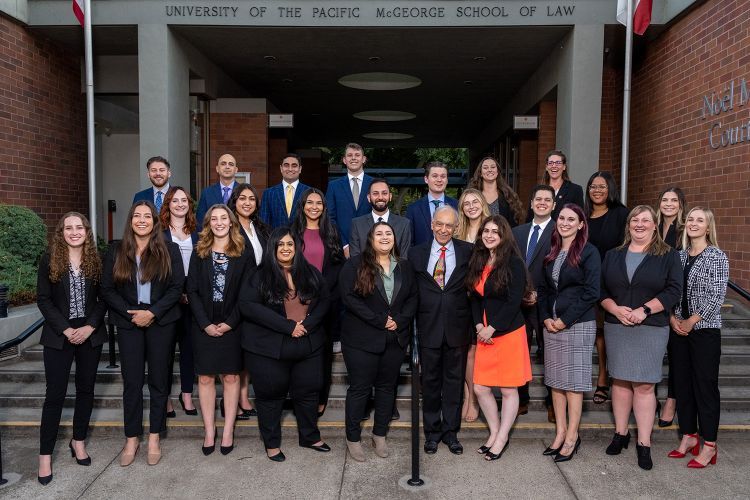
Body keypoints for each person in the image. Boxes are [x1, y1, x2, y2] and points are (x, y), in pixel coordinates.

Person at [101, 201, 185, 467]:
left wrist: (153, 313)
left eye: (146, 216)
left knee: (160, 382)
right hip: (129, 323)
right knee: (132, 383)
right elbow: (106, 289)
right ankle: (131, 438)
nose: (141, 220)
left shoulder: (168, 249)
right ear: (130, 220)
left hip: (160, 322)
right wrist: (132, 314)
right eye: (136, 215)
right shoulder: (116, 250)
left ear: (154, 221)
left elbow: (176, 287)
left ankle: (154, 438)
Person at [600, 205, 682, 470]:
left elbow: (674, 291)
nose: (639, 224)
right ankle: (621, 434)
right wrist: (613, 308)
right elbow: (599, 288)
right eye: (635, 219)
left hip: (651, 327)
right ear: (629, 224)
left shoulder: (668, 255)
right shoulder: (613, 255)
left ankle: (644, 443)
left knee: (645, 385)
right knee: (620, 381)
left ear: (654, 225)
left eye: (645, 220)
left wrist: (645, 310)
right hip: (617, 325)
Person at [239, 228, 331, 462]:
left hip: (307, 343)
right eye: (280, 245)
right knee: (270, 396)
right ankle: (271, 444)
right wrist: (287, 326)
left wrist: (307, 325)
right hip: (268, 348)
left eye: (290, 244)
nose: (286, 248)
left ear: (297, 247)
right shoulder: (258, 275)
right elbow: (249, 307)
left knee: (308, 392)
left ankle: (310, 436)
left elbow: (324, 300)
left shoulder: (309, 272)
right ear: (273, 248)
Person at [36, 212, 106, 485]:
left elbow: (103, 299)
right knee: (54, 395)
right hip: (58, 335)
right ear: (61, 232)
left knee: (86, 391)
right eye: (69, 228)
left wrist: (90, 326)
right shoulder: (49, 259)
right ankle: (44, 455)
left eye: (79, 227)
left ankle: (78, 442)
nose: (74, 232)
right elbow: (43, 299)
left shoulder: (96, 260)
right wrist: (65, 329)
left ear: (86, 231)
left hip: (89, 334)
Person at [339, 222, 417, 462]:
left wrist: (400, 320)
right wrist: (380, 320)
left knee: (386, 389)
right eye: (380, 233)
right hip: (361, 339)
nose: (385, 237)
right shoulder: (354, 265)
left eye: (389, 233)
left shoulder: (405, 266)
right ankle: (353, 438)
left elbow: (413, 298)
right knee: (360, 390)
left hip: (394, 339)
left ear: (395, 238)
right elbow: (349, 298)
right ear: (371, 239)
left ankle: (379, 435)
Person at [537, 204, 601, 463]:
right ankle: (560, 432)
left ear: (581, 224)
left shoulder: (589, 252)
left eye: (571, 219)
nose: (564, 222)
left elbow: (591, 293)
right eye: (561, 218)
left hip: (577, 325)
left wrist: (564, 320)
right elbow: (543, 289)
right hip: (551, 325)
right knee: (555, 381)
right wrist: (545, 318)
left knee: (573, 384)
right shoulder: (552, 251)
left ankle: (573, 436)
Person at [187, 205, 252, 456]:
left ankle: (227, 431)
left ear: (231, 222)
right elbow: (191, 289)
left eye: (223, 218)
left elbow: (247, 293)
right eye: (214, 219)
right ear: (208, 224)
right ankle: (209, 431)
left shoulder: (243, 253)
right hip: (203, 323)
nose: (219, 222)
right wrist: (204, 323)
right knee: (204, 378)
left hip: (233, 323)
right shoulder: (199, 252)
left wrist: (230, 323)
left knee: (231, 377)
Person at [408, 206, 473, 455]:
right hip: (427, 327)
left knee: (454, 383)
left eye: (450, 225)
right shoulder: (416, 254)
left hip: (458, 328)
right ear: (432, 225)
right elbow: (411, 292)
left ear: (456, 227)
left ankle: (451, 433)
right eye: (440, 224)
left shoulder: (468, 251)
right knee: (431, 382)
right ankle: (432, 434)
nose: (444, 229)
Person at [466, 215, 532, 461]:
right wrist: (478, 325)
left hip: (508, 334)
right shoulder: (480, 260)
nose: (490, 235)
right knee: (481, 387)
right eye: (486, 231)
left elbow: (514, 301)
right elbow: (474, 296)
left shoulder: (513, 263)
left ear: (504, 235)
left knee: (508, 389)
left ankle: (502, 437)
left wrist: (492, 328)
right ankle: (494, 432)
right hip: (484, 334)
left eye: (495, 231)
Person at [668, 207, 728, 469]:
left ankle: (709, 445)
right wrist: (673, 318)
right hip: (678, 329)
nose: (693, 223)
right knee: (682, 385)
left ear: (708, 227)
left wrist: (693, 320)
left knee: (704, 387)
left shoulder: (716, 256)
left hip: (704, 330)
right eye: (690, 219)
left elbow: (717, 295)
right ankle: (689, 436)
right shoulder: (679, 257)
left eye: (699, 220)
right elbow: (670, 290)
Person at [290, 187, 345, 416]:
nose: (314, 207)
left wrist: (321, 293)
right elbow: (286, 263)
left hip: (325, 302)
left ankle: (321, 396)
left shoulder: (331, 231)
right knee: (297, 352)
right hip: (296, 300)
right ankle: (300, 396)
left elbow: (337, 265)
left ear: (323, 207)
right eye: (309, 202)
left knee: (322, 354)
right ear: (302, 206)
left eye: (318, 203)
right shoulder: (292, 231)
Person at [584, 171, 629, 406]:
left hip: (612, 282)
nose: (597, 190)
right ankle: (598, 376)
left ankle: (608, 379)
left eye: (602, 186)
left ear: (610, 188)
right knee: (596, 331)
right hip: (586, 282)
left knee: (609, 331)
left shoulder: (622, 214)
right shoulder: (583, 215)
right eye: (593, 186)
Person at [512, 185, 556, 420]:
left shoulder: (560, 231)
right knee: (520, 353)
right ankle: (521, 399)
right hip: (519, 304)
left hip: (546, 302)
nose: (542, 202)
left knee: (549, 354)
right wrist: (521, 292)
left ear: (553, 205)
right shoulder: (517, 232)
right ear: (531, 203)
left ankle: (552, 402)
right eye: (537, 199)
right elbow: (511, 265)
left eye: (547, 200)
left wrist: (540, 292)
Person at [228, 183, 270, 420]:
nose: (247, 202)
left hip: (258, 297)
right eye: (242, 198)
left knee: (249, 349)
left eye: (251, 199)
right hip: (235, 297)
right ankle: (235, 399)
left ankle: (244, 396)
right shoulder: (228, 228)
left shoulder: (260, 228)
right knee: (235, 351)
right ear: (234, 201)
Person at [160, 186, 198, 417]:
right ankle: (164, 398)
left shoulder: (198, 230)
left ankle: (186, 395)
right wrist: (175, 293)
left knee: (189, 350)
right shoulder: (159, 231)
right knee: (164, 351)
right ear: (168, 204)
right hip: (167, 298)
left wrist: (189, 292)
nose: (180, 204)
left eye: (184, 200)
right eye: (175, 201)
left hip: (192, 298)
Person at [455, 188, 490, 423]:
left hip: (485, 297)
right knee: (465, 350)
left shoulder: (492, 227)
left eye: (475, 201)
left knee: (476, 352)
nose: (471, 206)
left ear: (482, 203)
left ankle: (475, 398)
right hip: (460, 297)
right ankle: (467, 394)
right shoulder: (457, 230)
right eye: (466, 203)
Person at [656, 186, 687, 427]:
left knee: (676, 354)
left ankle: (672, 399)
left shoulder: (685, 230)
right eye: (665, 200)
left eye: (673, 200)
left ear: (680, 204)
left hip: (679, 298)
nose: (668, 204)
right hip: (654, 296)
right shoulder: (654, 228)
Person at [326, 143, 372, 254]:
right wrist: (344, 244)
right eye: (350, 155)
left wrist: (371, 244)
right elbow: (329, 218)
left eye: (357, 155)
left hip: (370, 247)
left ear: (364, 159)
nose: (353, 158)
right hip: (341, 249)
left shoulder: (374, 184)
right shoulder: (334, 186)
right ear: (344, 160)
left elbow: (379, 214)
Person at [349, 178, 412, 258]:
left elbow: (404, 257)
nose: (380, 197)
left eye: (384, 193)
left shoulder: (404, 224)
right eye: (375, 193)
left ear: (390, 196)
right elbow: (355, 258)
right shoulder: (357, 224)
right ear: (369, 197)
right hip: (364, 270)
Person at [406, 161, 459, 246]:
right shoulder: (413, 209)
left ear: (447, 180)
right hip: (422, 258)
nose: (439, 180)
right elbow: (409, 242)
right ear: (426, 179)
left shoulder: (458, 206)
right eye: (435, 176)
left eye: (443, 176)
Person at [468, 156, 524, 226]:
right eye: (485, 168)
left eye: (493, 167)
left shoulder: (508, 196)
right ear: (481, 173)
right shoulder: (473, 196)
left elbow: (513, 224)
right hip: (477, 236)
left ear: (497, 172)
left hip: (502, 236)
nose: (490, 170)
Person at [259, 154, 310, 229]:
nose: (290, 169)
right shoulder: (269, 193)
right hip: (276, 239)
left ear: (300, 169)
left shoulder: (309, 192)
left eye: (294, 165)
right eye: (286, 165)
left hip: (302, 239)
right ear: (281, 168)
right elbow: (264, 223)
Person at [196, 153, 239, 225]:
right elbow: (200, 221)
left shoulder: (243, 191)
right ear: (217, 169)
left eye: (231, 164)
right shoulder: (207, 193)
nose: (227, 167)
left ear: (236, 170)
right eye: (223, 164)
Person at [541, 150, 584, 220]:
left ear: (564, 167)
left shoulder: (575, 190)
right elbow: (530, 217)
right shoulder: (538, 190)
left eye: (558, 163)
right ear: (546, 167)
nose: (554, 166)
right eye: (550, 163)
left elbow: (580, 217)